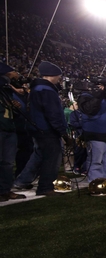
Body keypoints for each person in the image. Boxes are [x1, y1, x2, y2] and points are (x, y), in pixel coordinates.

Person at [15, 61, 68, 196]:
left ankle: (22, 180)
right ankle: (45, 187)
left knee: (38, 155)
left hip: (36, 128)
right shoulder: (47, 90)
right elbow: (53, 113)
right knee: (52, 158)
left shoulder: (37, 88)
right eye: (58, 76)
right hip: (46, 129)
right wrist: (62, 132)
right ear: (52, 76)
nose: (59, 79)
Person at [70, 76, 106, 183]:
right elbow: (90, 110)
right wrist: (97, 96)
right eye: (101, 86)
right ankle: (94, 183)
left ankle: (105, 182)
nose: (103, 88)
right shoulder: (85, 96)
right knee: (96, 161)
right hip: (96, 134)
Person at [0, 62, 26, 201]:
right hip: (2, 127)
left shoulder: (8, 90)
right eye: (14, 71)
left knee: (8, 163)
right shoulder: (5, 86)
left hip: (9, 127)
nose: (17, 74)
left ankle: (5, 190)